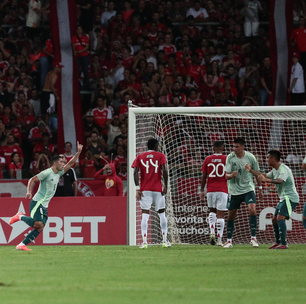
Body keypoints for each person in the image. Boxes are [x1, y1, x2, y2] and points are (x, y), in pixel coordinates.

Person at [9, 142, 83, 251]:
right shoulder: (47, 173)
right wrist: (29, 191)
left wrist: (78, 153)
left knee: (40, 227)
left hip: (44, 205)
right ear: (55, 163)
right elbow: (32, 179)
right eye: (61, 162)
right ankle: (19, 216)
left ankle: (21, 244)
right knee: (38, 224)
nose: (63, 164)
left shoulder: (58, 173)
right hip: (37, 202)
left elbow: (71, 164)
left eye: (63, 162)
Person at [245, 150, 299, 249]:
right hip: (283, 198)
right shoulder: (275, 169)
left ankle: (284, 243)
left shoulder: (283, 169)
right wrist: (251, 171)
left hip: (290, 198)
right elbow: (264, 175)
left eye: (268, 158)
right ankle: (278, 242)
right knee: (274, 219)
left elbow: (280, 181)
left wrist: (266, 180)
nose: (266, 160)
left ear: (273, 159)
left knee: (280, 218)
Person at [223, 137, 263, 248]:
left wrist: (260, 188)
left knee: (252, 209)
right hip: (234, 190)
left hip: (248, 188)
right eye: (233, 146)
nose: (234, 149)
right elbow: (226, 175)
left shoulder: (250, 157)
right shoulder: (230, 158)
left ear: (242, 147)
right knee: (231, 214)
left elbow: (258, 174)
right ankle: (229, 240)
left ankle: (253, 238)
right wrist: (232, 175)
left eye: (236, 146)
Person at [131, 138, 170, 249]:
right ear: (155, 146)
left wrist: (137, 188)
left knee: (145, 215)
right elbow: (165, 170)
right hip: (158, 189)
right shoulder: (160, 156)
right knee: (162, 214)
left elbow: (135, 172)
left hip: (145, 190)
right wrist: (166, 185)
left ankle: (144, 242)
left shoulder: (140, 156)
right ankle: (164, 241)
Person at [200, 141, 227, 246]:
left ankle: (212, 232)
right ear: (222, 148)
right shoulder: (226, 159)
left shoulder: (207, 159)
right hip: (223, 189)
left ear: (213, 148)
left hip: (210, 189)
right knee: (221, 214)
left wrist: (202, 190)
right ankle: (219, 240)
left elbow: (204, 176)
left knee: (212, 211)